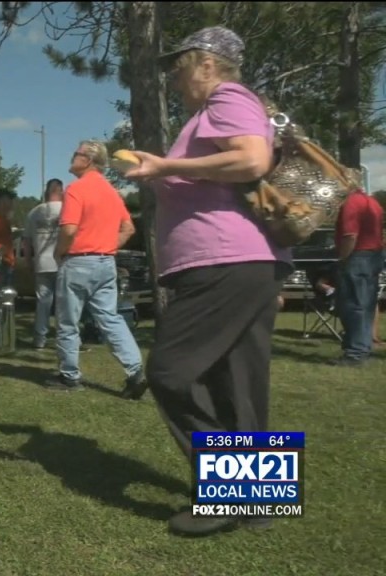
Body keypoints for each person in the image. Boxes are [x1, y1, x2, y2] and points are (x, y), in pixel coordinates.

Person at [123, 26, 293, 536]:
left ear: (206, 63)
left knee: (171, 371)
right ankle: (258, 503)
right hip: (245, 261)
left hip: (225, 259)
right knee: (237, 382)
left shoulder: (228, 96)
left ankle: (228, 493)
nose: (175, 77)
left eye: (179, 66)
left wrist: (169, 164)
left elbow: (251, 159)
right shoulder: (215, 109)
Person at [52, 140, 144, 394]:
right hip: (106, 262)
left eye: (76, 153)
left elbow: (69, 229)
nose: (72, 157)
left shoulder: (76, 190)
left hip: (78, 261)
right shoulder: (111, 192)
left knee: (68, 321)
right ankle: (135, 371)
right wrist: (106, 246)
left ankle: (69, 376)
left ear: (88, 160)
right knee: (110, 318)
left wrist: (59, 251)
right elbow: (129, 228)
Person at [332, 188, 384, 365]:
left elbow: (350, 235)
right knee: (366, 305)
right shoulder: (373, 202)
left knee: (353, 305)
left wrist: (342, 258)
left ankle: (355, 352)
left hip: (357, 255)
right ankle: (363, 347)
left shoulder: (351, 202)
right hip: (374, 255)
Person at [23, 179, 64, 348]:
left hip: (41, 263)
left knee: (43, 303)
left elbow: (26, 241)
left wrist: (28, 261)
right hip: (62, 262)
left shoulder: (34, 212)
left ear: (47, 191)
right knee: (64, 303)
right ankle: (64, 339)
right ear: (60, 191)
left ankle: (40, 338)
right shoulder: (66, 210)